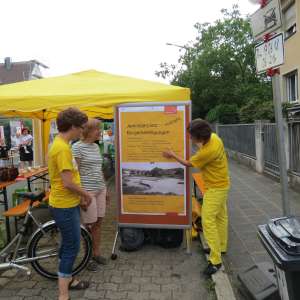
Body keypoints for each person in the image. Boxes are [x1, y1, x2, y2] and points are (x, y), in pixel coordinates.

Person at [163, 119, 230, 276]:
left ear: (200, 137)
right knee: (221, 217)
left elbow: (188, 163)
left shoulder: (208, 152)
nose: (190, 139)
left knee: (207, 221)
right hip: (222, 183)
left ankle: (215, 261)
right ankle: (221, 247)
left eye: (192, 137)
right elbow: (200, 149)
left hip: (215, 188)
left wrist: (172, 154)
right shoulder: (214, 138)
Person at [48, 107, 93, 300]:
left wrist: (80, 197)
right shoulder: (63, 148)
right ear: (73, 126)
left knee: (68, 244)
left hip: (67, 203)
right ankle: (63, 295)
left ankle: (70, 280)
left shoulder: (61, 144)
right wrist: (87, 195)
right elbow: (67, 182)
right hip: (64, 205)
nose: (83, 131)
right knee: (72, 247)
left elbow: (70, 177)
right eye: (81, 128)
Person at [72, 118, 109, 272]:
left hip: (100, 189)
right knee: (88, 225)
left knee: (99, 223)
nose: (99, 132)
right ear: (88, 131)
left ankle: (96, 253)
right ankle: (86, 259)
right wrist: (81, 196)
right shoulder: (76, 148)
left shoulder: (95, 146)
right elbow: (75, 173)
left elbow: (99, 169)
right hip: (87, 192)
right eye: (97, 129)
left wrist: (105, 188)